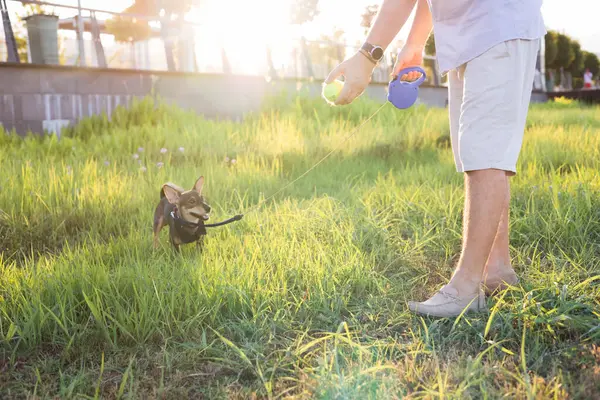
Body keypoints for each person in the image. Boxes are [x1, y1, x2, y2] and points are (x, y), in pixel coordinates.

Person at [325, 0, 546, 317]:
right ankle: (497, 270)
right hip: (468, 33)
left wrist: (366, 56)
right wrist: (414, 44)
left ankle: (465, 288)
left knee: (484, 156)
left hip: (497, 22)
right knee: (477, 153)